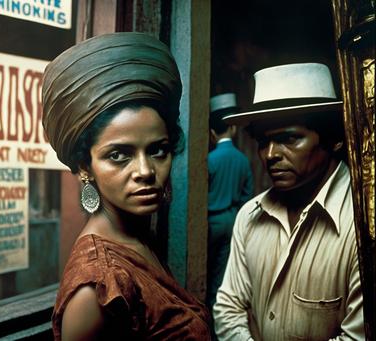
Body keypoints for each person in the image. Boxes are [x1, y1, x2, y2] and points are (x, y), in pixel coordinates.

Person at [42, 32, 211, 340]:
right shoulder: (94, 289)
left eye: (157, 150)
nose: (146, 171)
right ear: (84, 167)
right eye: (119, 155)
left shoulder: (137, 239)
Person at [214, 63, 364, 340]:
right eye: (263, 141)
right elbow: (227, 309)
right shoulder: (249, 216)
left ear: (333, 139)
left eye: (289, 139)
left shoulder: (363, 224)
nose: (270, 154)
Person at [206, 93, 253, 332]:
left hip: (210, 223)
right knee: (222, 276)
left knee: (205, 269)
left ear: (212, 133)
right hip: (233, 220)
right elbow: (248, 196)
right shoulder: (243, 160)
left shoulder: (208, 160)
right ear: (233, 129)